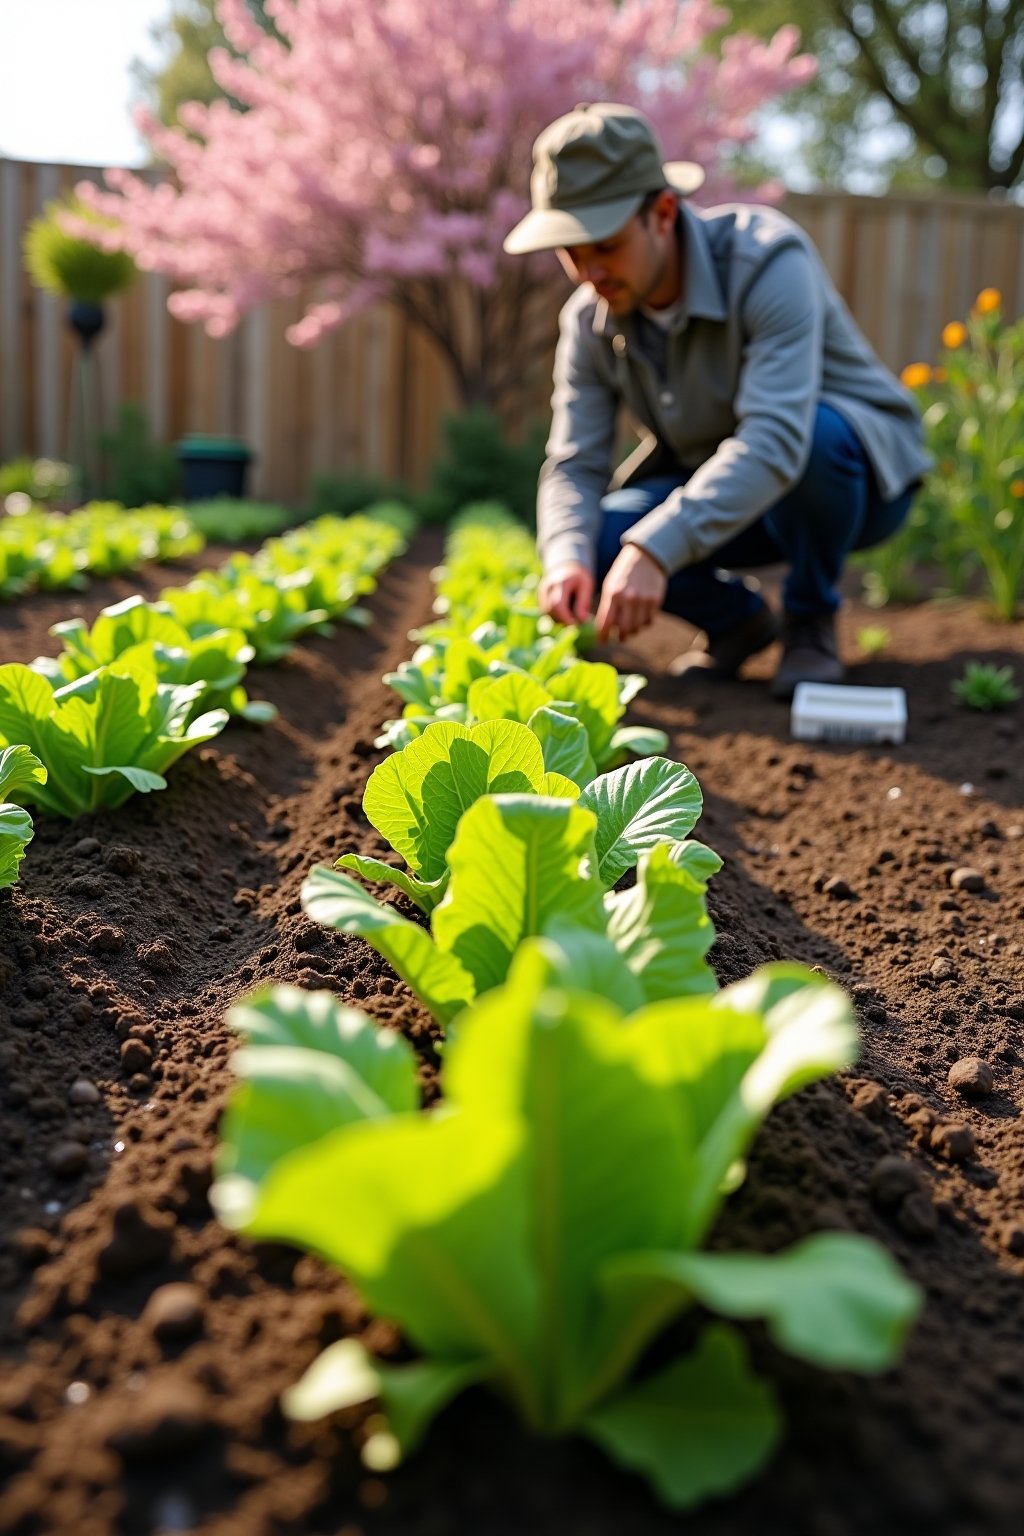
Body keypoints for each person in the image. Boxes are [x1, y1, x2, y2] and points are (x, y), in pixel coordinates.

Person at [503, 103, 931, 699]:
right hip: (728, 495)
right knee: (598, 541)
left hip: (852, 485)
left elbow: (776, 439)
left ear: (662, 212)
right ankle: (741, 623)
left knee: (813, 436)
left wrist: (656, 548)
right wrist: (566, 558)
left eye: (604, 243)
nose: (588, 270)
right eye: (570, 249)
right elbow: (575, 463)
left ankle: (810, 622)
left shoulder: (766, 260)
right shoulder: (589, 320)